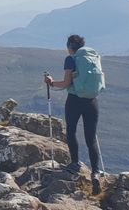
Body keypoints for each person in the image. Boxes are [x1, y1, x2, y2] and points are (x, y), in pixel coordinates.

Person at [44, 34, 105, 179]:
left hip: (74, 100)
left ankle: (75, 164)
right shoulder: (93, 57)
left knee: (71, 131)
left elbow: (66, 83)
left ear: (70, 47)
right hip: (92, 101)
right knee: (91, 138)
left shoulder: (71, 59)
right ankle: (95, 172)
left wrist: (51, 82)